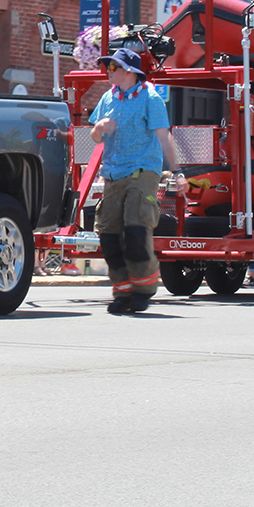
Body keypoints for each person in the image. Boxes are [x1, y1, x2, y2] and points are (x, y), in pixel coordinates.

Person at [88, 48, 178, 315]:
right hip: (114, 173)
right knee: (109, 237)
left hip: (142, 172)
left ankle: (144, 288)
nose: (108, 71)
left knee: (137, 232)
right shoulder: (107, 98)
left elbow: (164, 137)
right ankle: (123, 290)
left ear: (129, 71)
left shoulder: (150, 98)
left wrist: (177, 171)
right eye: (108, 66)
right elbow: (94, 138)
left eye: (113, 67)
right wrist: (99, 128)